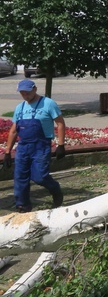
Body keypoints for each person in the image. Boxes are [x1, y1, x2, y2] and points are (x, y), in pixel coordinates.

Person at [4, 79, 65, 212]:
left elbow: (60, 123)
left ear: (35, 89)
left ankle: (55, 189)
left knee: (40, 176)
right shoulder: (20, 108)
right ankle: (23, 206)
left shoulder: (48, 104)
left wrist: (61, 145)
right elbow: (14, 130)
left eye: (27, 92)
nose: (25, 95)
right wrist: (8, 152)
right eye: (22, 93)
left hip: (41, 146)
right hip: (23, 147)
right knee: (20, 177)